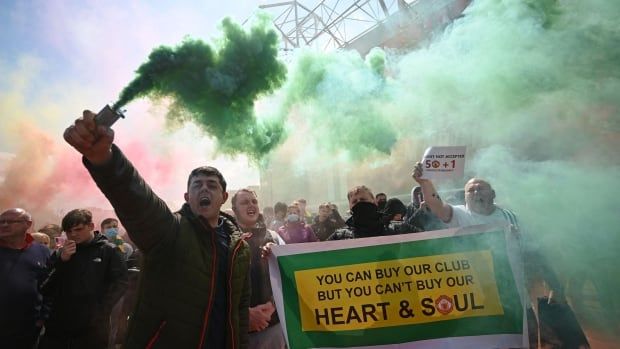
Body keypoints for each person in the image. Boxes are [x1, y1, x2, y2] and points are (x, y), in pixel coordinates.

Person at [63, 110, 251, 348]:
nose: (205, 190)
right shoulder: (172, 230)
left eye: (212, 186)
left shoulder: (240, 248)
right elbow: (138, 201)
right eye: (197, 186)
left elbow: (240, 311)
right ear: (187, 196)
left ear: (223, 197)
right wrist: (105, 160)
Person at [412, 162, 566, 347]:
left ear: (493, 194)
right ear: (465, 197)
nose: (476, 193)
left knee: (529, 344)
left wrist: (554, 285)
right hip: (481, 308)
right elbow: (435, 203)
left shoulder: (511, 217)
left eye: (481, 189)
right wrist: (425, 182)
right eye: (471, 190)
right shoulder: (459, 215)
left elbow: (534, 252)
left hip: (518, 301)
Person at [39, 209, 128, 349]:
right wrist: (62, 261)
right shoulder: (61, 252)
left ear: (91, 226)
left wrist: (101, 310)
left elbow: (121, 283)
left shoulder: (109, 250)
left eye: (78, 229)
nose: (73, 234)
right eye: (69, 231)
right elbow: (45, 287)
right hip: (59, 323)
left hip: (92, 327)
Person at [231, 189, 286, 349]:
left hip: (272, 327)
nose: (251, 205)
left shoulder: (274, 237)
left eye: (254, 201)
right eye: (245, 202)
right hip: (239, 332)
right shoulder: (225, 240)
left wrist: (272, 306)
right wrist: (245, 315)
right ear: (235, 210)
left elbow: (288, 276)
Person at [0, 208, 50, 348]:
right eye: (1, 222)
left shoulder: (42, 251)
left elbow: (49, 285)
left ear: (27, 224)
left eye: (10, 221)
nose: (4, 225)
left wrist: (42, 317)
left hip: (27, 327)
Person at [328, 186, 422, 240]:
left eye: (363, 199)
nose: (360, 203)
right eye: (355, 202)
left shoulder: (398, 229)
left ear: (373, 201)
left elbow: (427, 244)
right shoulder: (340, 236)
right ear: (350, 206)